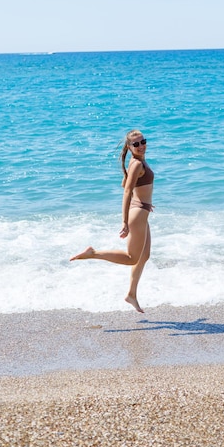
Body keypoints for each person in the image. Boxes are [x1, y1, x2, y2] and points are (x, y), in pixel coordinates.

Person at [70, 129, 154, 313]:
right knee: (132, 259)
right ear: (129, 147)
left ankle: (131, 294)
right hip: (137, 214)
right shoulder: (136, 165)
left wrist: (145, 202)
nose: (141, 146)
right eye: (136, 144)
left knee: (144, 256)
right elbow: (126, 191)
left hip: (141, 210)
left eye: (143, 141)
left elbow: (128, 184)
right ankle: (93, 253)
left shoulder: (138, 161)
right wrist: (124, 221)